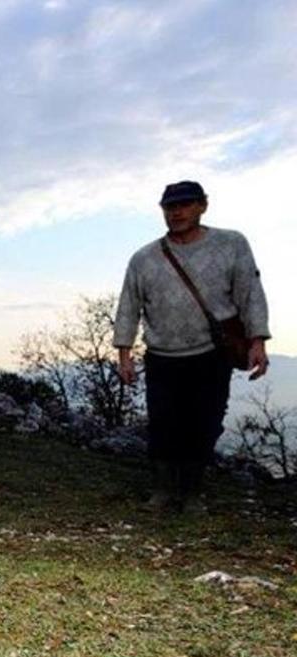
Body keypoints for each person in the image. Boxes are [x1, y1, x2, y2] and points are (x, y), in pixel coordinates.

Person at [113, 180, 270, 512]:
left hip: (212, 354)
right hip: (162, 355)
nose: (177, 213)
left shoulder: (231, 244)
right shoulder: (144, 258)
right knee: (163, 423)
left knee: (206, 422)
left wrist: (258, 341)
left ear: (203, 206)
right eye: (170, 207)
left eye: (185, 205)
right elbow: (129, 305)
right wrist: (124, 354)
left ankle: (193, 492)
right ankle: (162, 491)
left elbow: (249, 292)